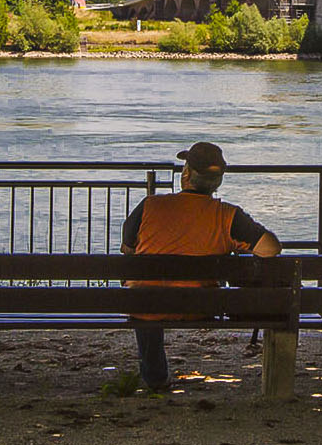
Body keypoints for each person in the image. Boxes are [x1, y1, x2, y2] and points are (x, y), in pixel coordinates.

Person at [120, 141, 281, 390]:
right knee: (154, 294)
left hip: (145, 304)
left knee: (145, 294)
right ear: (217, 182)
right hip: (199, 306)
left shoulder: (150, 205)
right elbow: (271, 248)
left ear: (186, 174)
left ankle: (154, 378)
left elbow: (127, 249)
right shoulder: (227, 216)